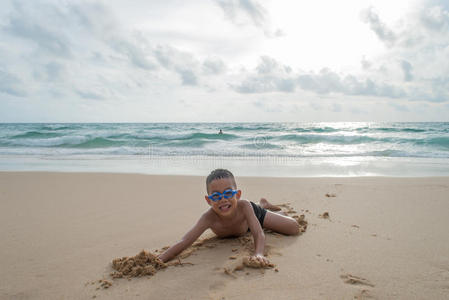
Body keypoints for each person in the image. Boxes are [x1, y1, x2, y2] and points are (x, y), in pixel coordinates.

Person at [158, 169, 300, 266]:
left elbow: (258, 233)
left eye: (228, 193)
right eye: (216, 196)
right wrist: (161, 259)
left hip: (253, 216)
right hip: (245, 227)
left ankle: (262, 205)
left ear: (237, 195)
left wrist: (258, 253)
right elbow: (184, 241)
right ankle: (264, 204)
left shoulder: (244, 206)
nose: (223, 199)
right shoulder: (208, 218)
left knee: (293, 228)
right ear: (209, 200)